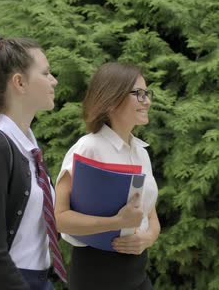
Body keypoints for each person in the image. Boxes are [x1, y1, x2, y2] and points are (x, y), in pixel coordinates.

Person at [0, 30, 66, 290]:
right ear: (19, 83)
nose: (54, 81)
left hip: (37, 281)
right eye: (46, 73)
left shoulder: (28, 145)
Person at [54, 62, 160, 290]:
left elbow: (150, 215)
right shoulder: (87, 148)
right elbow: (60, 218)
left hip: (137, 275)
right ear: (112, 100)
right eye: (138, 94)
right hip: (95, 276)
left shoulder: (141, 152)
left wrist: (147, 238)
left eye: (147, 93)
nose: (147, 101)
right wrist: (116, 222)